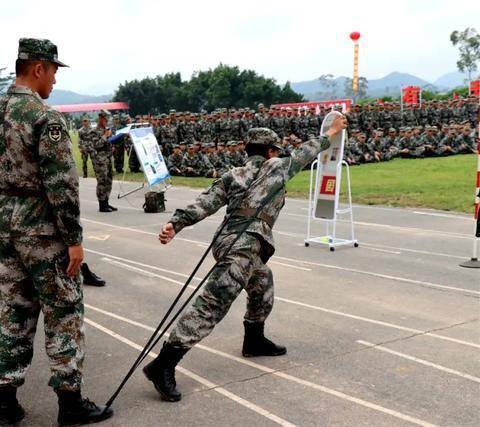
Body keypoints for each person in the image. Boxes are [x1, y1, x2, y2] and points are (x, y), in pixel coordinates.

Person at [143, 117, 347, 403]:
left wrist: (176, 224)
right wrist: (332, 132)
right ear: (271, 151)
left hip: (231, 242)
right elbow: (306, 152)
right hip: (243, 246)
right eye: (276, 150)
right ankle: (163, 363)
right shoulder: (277, 166)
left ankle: (254, 339)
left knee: (262, 282)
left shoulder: (234, 174)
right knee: (212, 304)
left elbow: (205, 202)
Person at [0, 38, 112, 426]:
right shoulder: (45, 118)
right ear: (37, 68)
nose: (54, 79)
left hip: (6, 226)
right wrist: (74, 240)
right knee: (64, 312)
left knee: (15, 312)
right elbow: (62, 184)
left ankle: (6, 403)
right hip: (43, 230)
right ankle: (70, 404)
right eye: (53, 71)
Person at [88, 111, 118, 212]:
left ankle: (106, 202)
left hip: (109, 158)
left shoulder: (107, 129)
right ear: (100, 118)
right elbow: (96, 145)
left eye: (107, 119)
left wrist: (112, 144)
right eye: (105, 119)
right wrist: (105, 136)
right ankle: (102, 204)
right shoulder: (94, 131)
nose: (107, 121)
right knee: (102, 181)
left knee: (109, 180)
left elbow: (109, 142)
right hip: (100, 160)